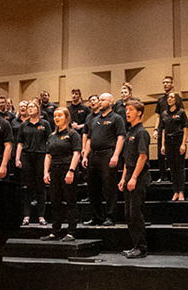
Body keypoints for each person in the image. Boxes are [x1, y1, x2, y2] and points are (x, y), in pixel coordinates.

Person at [82, 92, 126, 226]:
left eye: (102, 100)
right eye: (99, 100)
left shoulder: (117, 118)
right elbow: (89, 139)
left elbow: (121, 137)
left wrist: (116, 155)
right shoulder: (93, 120)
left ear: (111, 102)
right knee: (93, 187)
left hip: (108, 154)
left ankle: (110, 216)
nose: (99, 102)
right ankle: (96, 216)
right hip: (93, 155)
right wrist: (85, 155)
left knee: (109, 187)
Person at [42, 108, 82, 242]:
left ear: (67, 118)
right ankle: (55, 231)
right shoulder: (52, 136)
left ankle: (71, 232)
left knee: (70, 201)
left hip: (68, 169)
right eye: (54, 116)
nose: (56, 118)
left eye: (59, 115)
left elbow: (76, 153)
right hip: (55, 170)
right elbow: (48, 155)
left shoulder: (73, 134)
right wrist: (46, 172)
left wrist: (71, 171)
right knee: (55, 202)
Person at [118, 100, 152, 258]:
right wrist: (123, 178)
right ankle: (134, 246)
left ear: (139, 112)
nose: (127, 112)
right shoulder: (129, 132)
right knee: (128, 214)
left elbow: (142, 156)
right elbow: (126, 159)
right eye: (126, 110)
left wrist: (133, 178)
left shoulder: (141, 132)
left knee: (136, 213)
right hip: (130, 174)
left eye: (131, 110)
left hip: (139, 176)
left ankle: (142, 248)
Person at [16, 102, 50, 225]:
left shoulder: (45, 124)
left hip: (41, 156)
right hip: (27, 156)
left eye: (32, 107)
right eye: (28, 107)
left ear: (38, 109)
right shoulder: (23, 125)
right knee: (28, 187)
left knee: (41, 187)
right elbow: (19, 143)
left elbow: (49, 141)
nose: (30, 109)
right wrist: (17, 158)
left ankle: (41, 216)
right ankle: (26, 216)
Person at [158, 92, 188, 201]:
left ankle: (181, 192)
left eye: (172, 97)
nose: (169, 99)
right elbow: (163, 130)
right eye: (168, 97)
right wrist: (162, 145)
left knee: (179, 168)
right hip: (168, 143)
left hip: (178, 141)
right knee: (172, 168)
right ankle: (175, 191)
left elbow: (185, 128)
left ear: (176, 99)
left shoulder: (181, 112)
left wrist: (183, 144)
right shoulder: (164, 114)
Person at [153, 75, 177, 182]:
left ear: (172, 84)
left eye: (168, 82)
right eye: (164, 82)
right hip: (162, 129)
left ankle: (173, 176)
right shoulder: (160, 100)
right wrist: (155, 129)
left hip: (173, 130)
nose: (165, 84)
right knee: (160, 154)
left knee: (172, 155)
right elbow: (158, 116)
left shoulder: (176, 98)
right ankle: (162, 176)